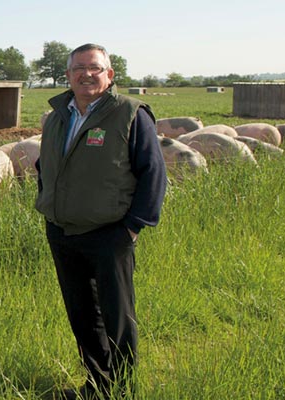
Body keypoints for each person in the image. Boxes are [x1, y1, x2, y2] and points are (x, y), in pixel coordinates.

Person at [35, 43, 167, 399]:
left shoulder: (129, 113)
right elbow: (45, 167)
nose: (86, 74)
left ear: (109, 75)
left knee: (117, 317)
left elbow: (153, 172)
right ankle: (97, 387)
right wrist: (48, 204)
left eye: (95, 68)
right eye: (79, 68)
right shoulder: (58, 115)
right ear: (67, 76)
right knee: (81, 314)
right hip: (62, 232)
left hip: (111, 233)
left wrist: (133, 226)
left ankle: (123, 389)